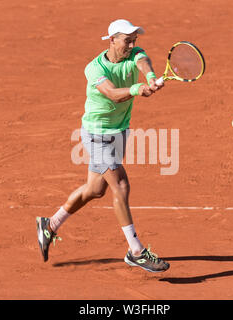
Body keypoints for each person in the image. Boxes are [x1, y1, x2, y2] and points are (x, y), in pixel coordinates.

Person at [36, 19, 169, 273]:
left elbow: (143, 62)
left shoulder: (135, 54)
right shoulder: (94, 69)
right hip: (98, 134)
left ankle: (49, 225)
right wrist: (137, 88)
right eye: (126, 40)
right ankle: (136, 251)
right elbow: (112, 93)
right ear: (112, 40)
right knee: (120, 185)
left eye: (134, 40)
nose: (132, 45)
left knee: (95, 190)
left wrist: (150, 77)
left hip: (120, 130)